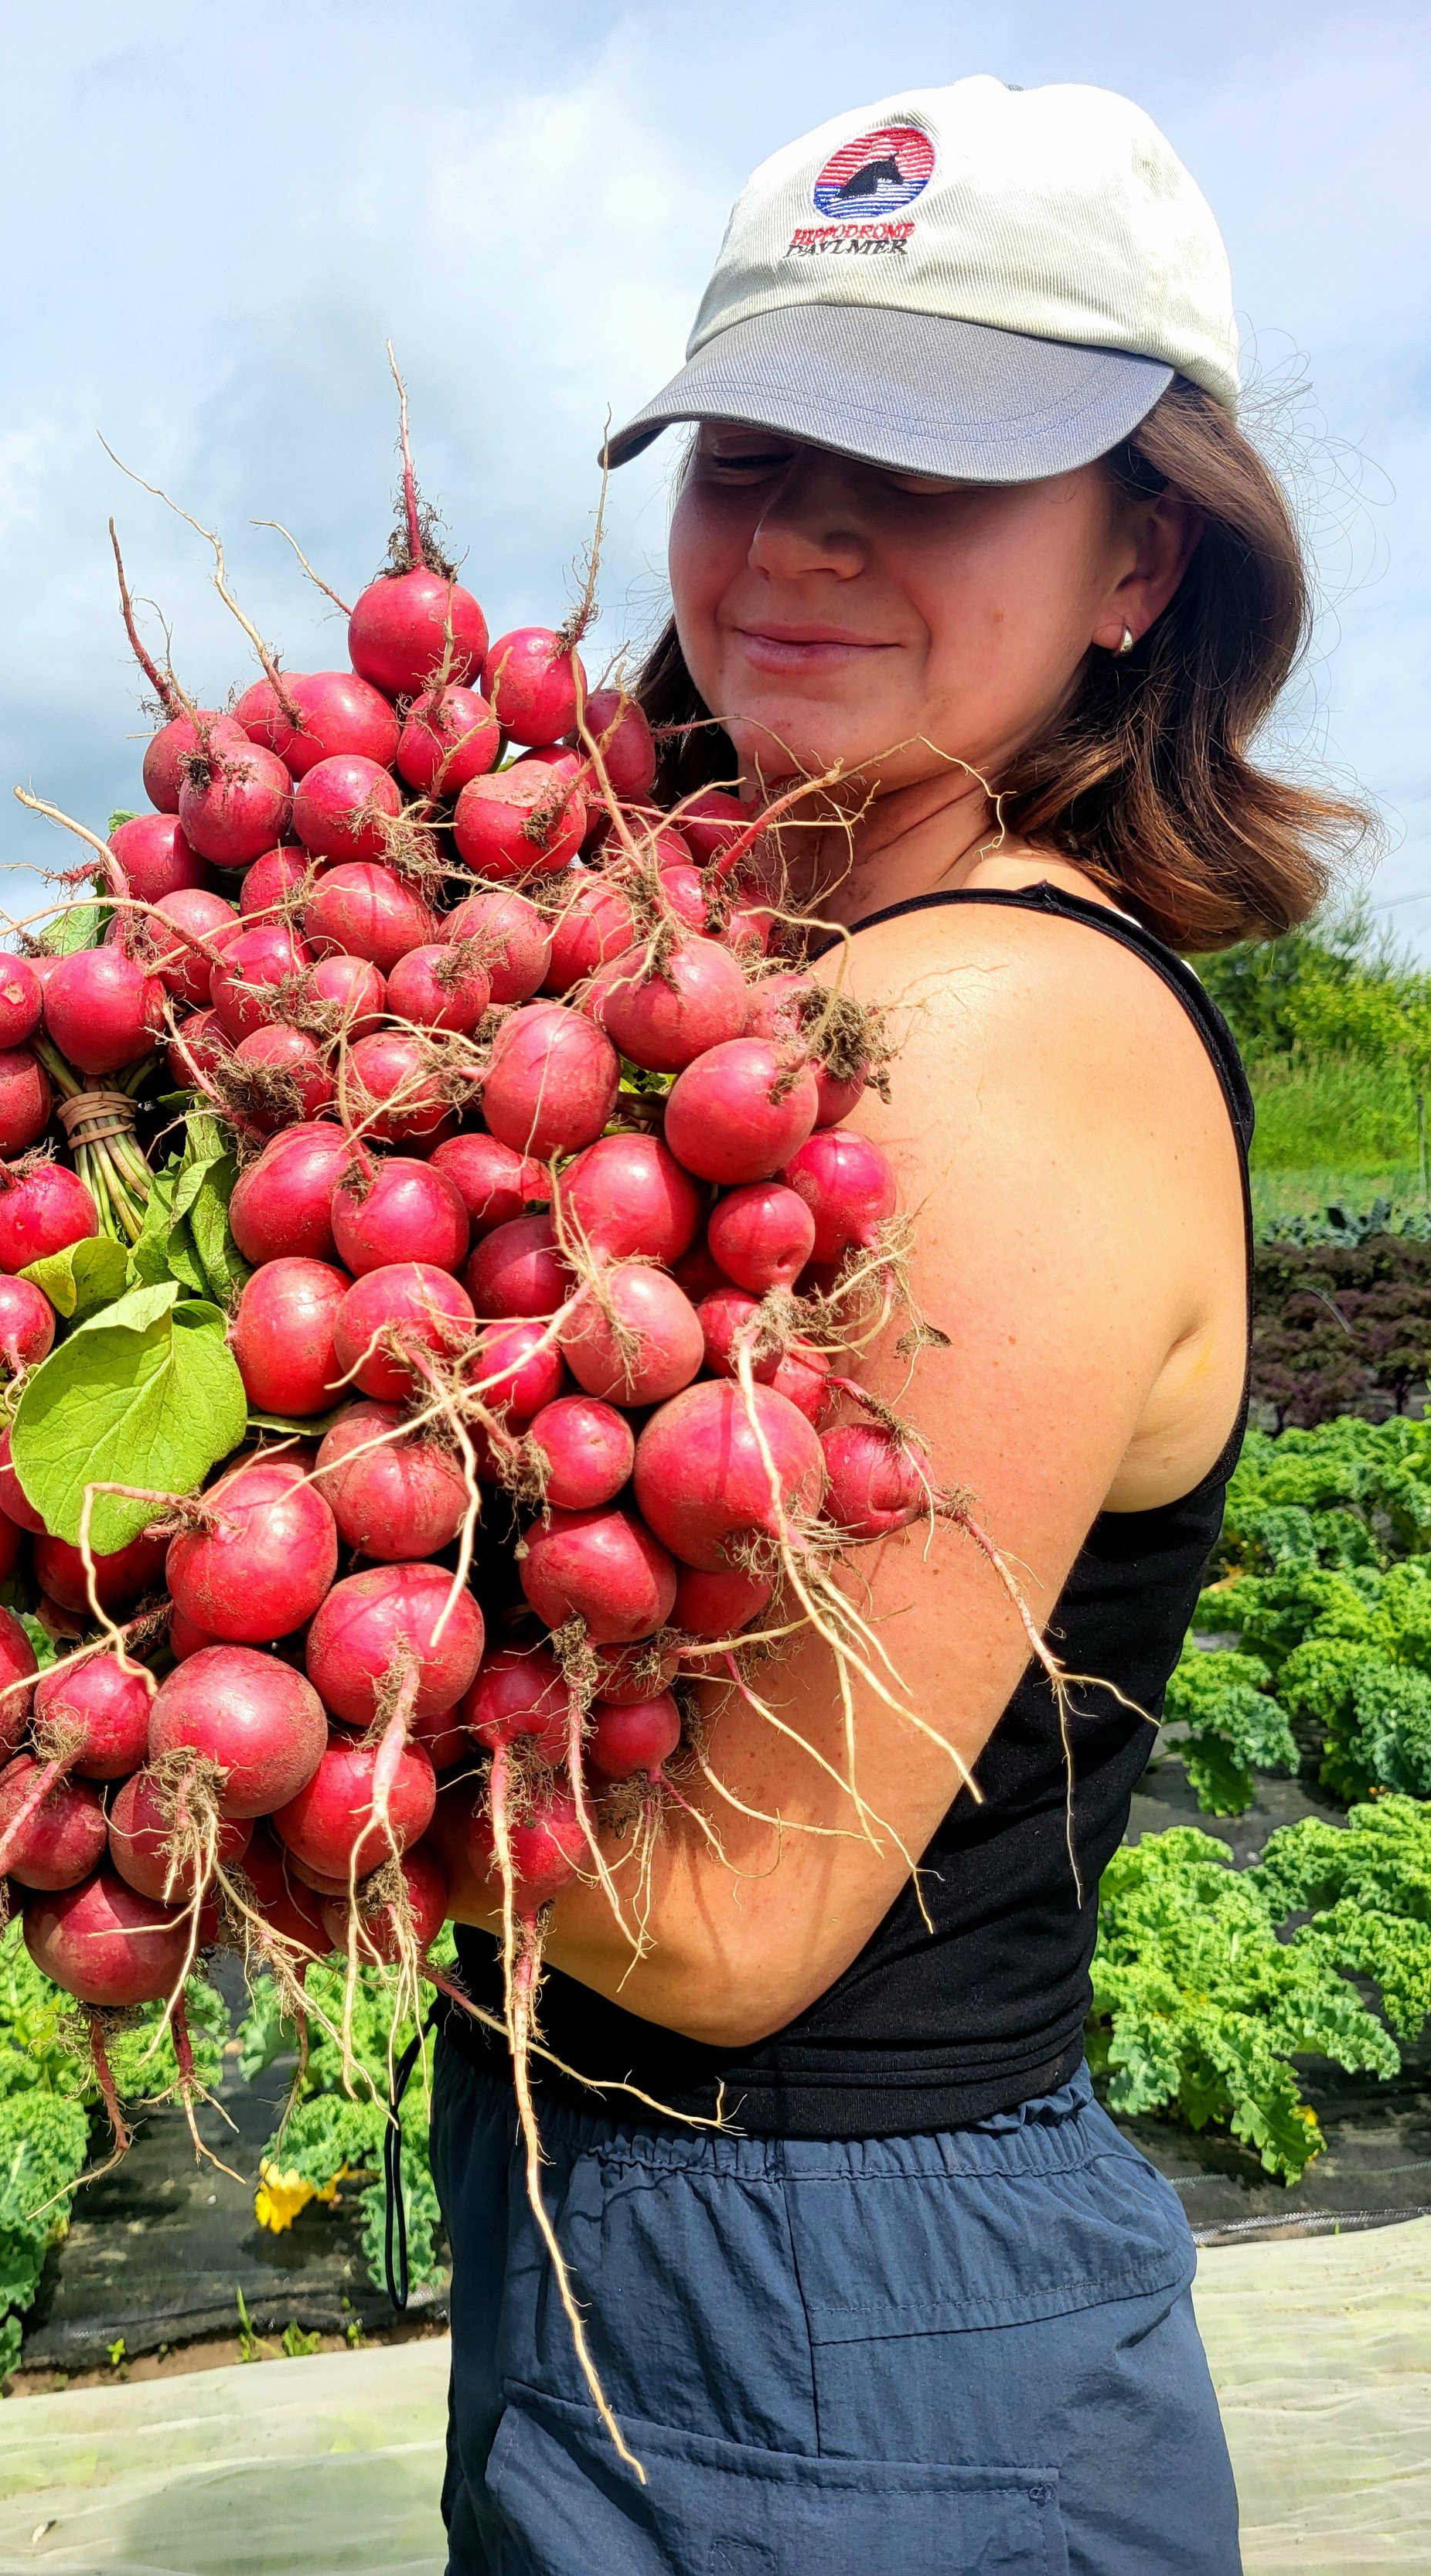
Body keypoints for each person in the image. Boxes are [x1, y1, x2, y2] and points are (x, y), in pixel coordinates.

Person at [429, 74, 1364, 2576]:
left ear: (1140, 559)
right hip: (666, 2265)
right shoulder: (752, 980)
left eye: (932, 467)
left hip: (840, 2339)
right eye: (750, 452)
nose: (806, 533)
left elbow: (733, 1922)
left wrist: (177, 1653)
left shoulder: (982, 1031)